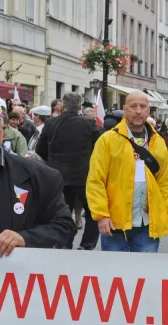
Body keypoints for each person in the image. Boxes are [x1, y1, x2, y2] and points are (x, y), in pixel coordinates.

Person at [0, 93, 76, 255]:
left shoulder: (42, 177)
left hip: (14, 272)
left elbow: (64, 229)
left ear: (3, 131)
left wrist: (26, 238)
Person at [87, 92, 168, 252]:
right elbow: (96, 180)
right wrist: (101, 215)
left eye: (143, 106)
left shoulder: (158, 142)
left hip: (147, 224)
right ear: (125, 109)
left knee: (146, 267)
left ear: (149, 110)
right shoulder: (108, 140)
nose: (138, 111)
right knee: (116, 268)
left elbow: (165, 182)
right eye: (133, 106)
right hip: (114, 224)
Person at [36, 92, 102, 250]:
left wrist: (53, 160)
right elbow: (99, 149)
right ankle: (87, 244)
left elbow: (40, 149)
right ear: (79, 106)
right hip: (83, 175)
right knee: (92, 211)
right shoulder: (89, 124)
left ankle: (63, 243)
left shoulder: (51, 123)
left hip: (57, 175)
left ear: (63, 106)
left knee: (61, 213)